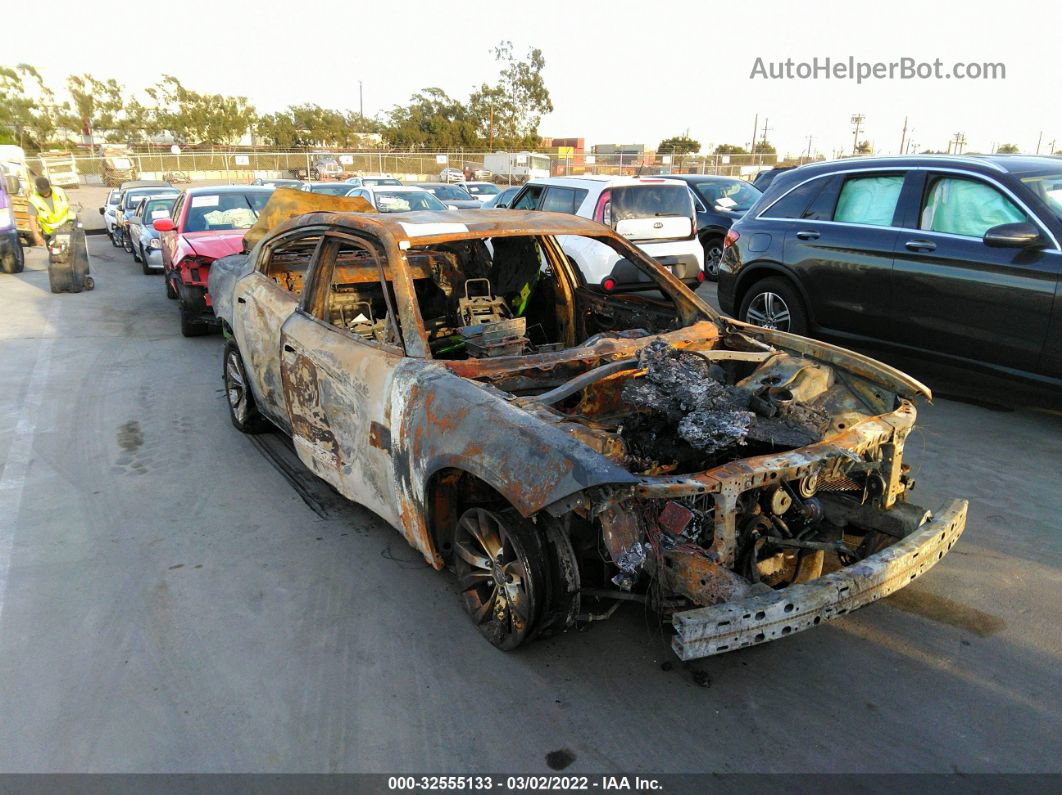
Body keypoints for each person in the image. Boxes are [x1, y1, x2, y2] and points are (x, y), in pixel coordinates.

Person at [28, 176, 75, 246]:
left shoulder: (59, 192)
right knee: (55, 253)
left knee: (70, 250)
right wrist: (36, 235)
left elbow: (69, 206)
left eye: (46, 190)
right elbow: (32, 219)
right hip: (49, 232)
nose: (45, 193)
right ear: (37, 189)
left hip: (66, 227)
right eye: (43, 192)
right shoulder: (34, 200)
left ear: (49, 186)